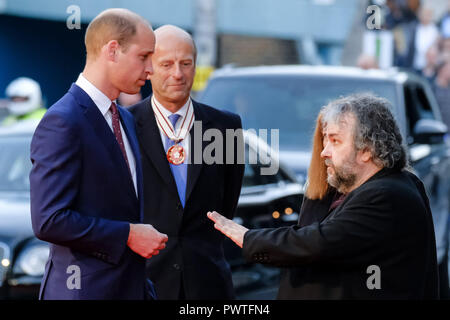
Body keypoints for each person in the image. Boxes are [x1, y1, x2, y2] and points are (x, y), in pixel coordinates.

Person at [208, 93, 439, 299]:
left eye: (335, 141)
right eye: (324, 139)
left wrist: (248, 238)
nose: (324, 151)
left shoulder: (388, 195)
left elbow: (318, 242)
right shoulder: (346, 188)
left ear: (367, 149)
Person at [29, 8, 168, 300]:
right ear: (113, 51)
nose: (151, 69)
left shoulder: (125, 119)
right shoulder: (63, 120)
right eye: (143, 56)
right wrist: (128, 234)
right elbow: (50, 219)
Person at [129, 25, 244, 299]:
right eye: (166, 64)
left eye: (186, 63)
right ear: (149, 67)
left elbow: (228, 201)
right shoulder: (125, 124)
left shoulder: (226, 126)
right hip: (144, 281)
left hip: (207, 282)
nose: (177, 74)